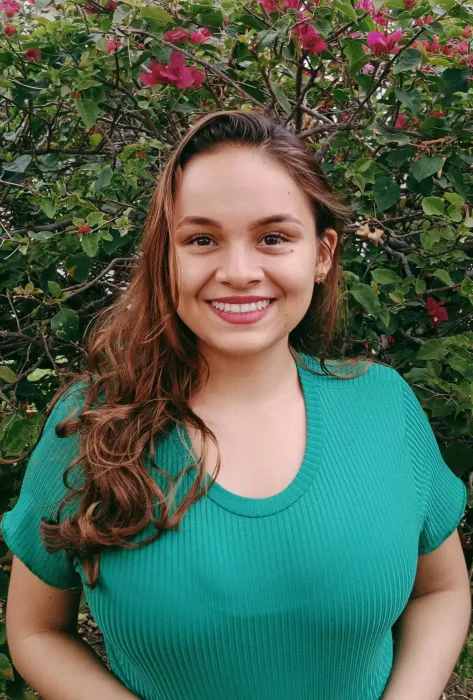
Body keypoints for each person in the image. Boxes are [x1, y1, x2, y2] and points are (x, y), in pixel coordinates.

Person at [1, 110, 470, 700]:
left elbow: (440, 590)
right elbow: (37, 629)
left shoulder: (382, 405)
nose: (239, 272)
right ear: (166, 257)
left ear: (322, 254)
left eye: (273, 237)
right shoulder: (89, 425)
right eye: (201, 239)